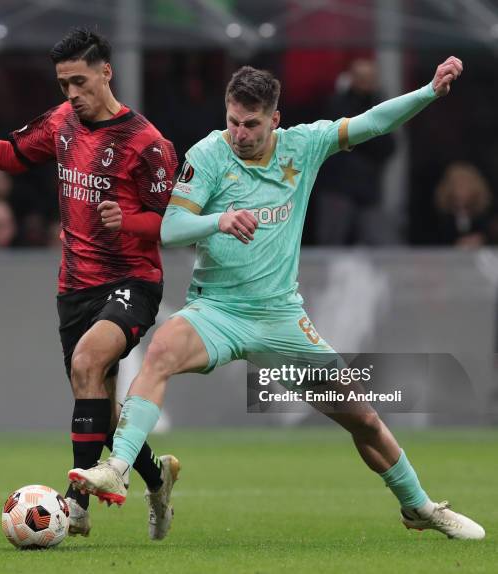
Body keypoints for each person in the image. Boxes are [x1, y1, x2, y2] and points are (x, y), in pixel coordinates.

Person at [70, 57, 486, 540]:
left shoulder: (303, 146)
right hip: (218, 310)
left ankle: (419, 507)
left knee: (364, 419)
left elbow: (373, 122)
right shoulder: (208, 154)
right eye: (232, 121)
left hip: (281, 316)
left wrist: (429, 91)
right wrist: (218, 220)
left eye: (251, 124)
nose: (239, 133)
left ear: (275, 119)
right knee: (161, 352)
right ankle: (119, 467)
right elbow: (173, 227)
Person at [0, 27, 180, 541]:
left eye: (80, 81)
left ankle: (76, 504)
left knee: (86, 363)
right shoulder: (61, 123)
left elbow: (173, 221)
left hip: (132, 280)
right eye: (63, 84)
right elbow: (11, 156)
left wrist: (131, 220)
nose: (71, 94)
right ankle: (157, 476)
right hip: (74, 286)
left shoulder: (146, 143)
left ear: (106, 72)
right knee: (99, 401)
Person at [314, 58, 396, 245]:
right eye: (361, 77)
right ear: (351, 78)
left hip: (368, 191)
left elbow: (390, 146)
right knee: (331, 243)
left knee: (378, 243)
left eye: (370, 78)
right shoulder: (336, 104)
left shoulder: (381, 106)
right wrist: (370, 136)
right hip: (337, 189)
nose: (366, 83)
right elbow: (336, 138)